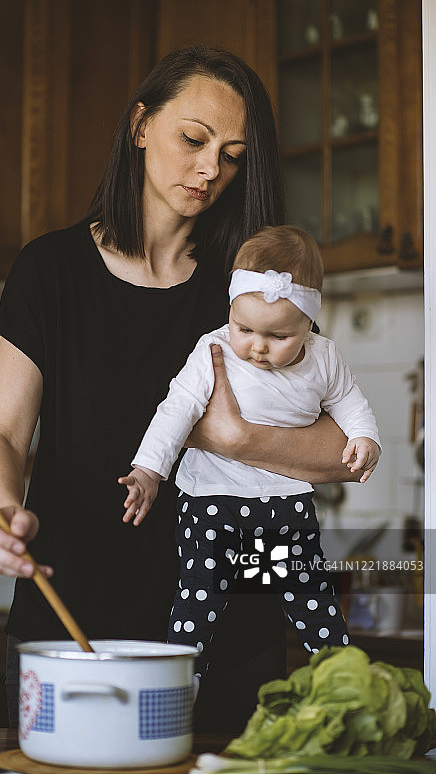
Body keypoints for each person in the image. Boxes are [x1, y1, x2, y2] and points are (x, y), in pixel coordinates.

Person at [0, 45, 364, 732]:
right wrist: (5, 511)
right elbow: (1, 434)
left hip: (234, 642)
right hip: (71, 631)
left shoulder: (250, 295)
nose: (212, 169)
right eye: (194, 139)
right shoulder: (51, 270)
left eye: (233, 154)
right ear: (140, 125)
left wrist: (240, 438)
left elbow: (341, 448)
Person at [119, 225, 381, 684]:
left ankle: (344, 678)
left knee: (310, 593)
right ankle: (182, 679)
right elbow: (176, 410)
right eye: (245, 328)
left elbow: (351, 402)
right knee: (199, 595)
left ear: (309, 323)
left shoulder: (324, 357)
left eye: (278, 335)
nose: (257, 346)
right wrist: (149, 471)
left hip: (285, 500)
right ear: (230, 312)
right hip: (211, 498)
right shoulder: (215, 348)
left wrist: (365, 438)